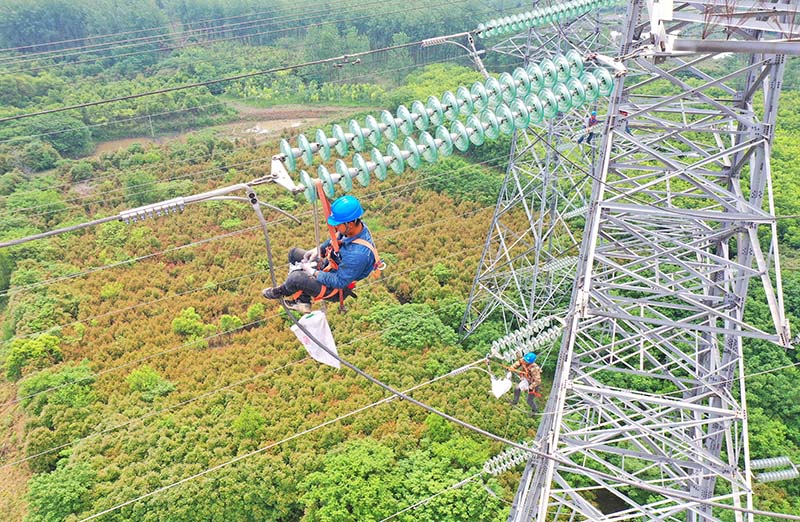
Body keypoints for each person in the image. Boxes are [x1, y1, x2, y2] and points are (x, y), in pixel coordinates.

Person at [262, 195, 380, 313]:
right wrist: (319, 249)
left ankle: (280, 291)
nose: (335, 227)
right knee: (294, 254)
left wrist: (313, 272)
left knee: (296, 278)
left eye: (338, 224)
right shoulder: (354, 228)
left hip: (335, 287)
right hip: (331, 266)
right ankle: (303, 301)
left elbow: (339, 281)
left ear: (350, 223)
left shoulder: (357, 255)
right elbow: (336, 239)